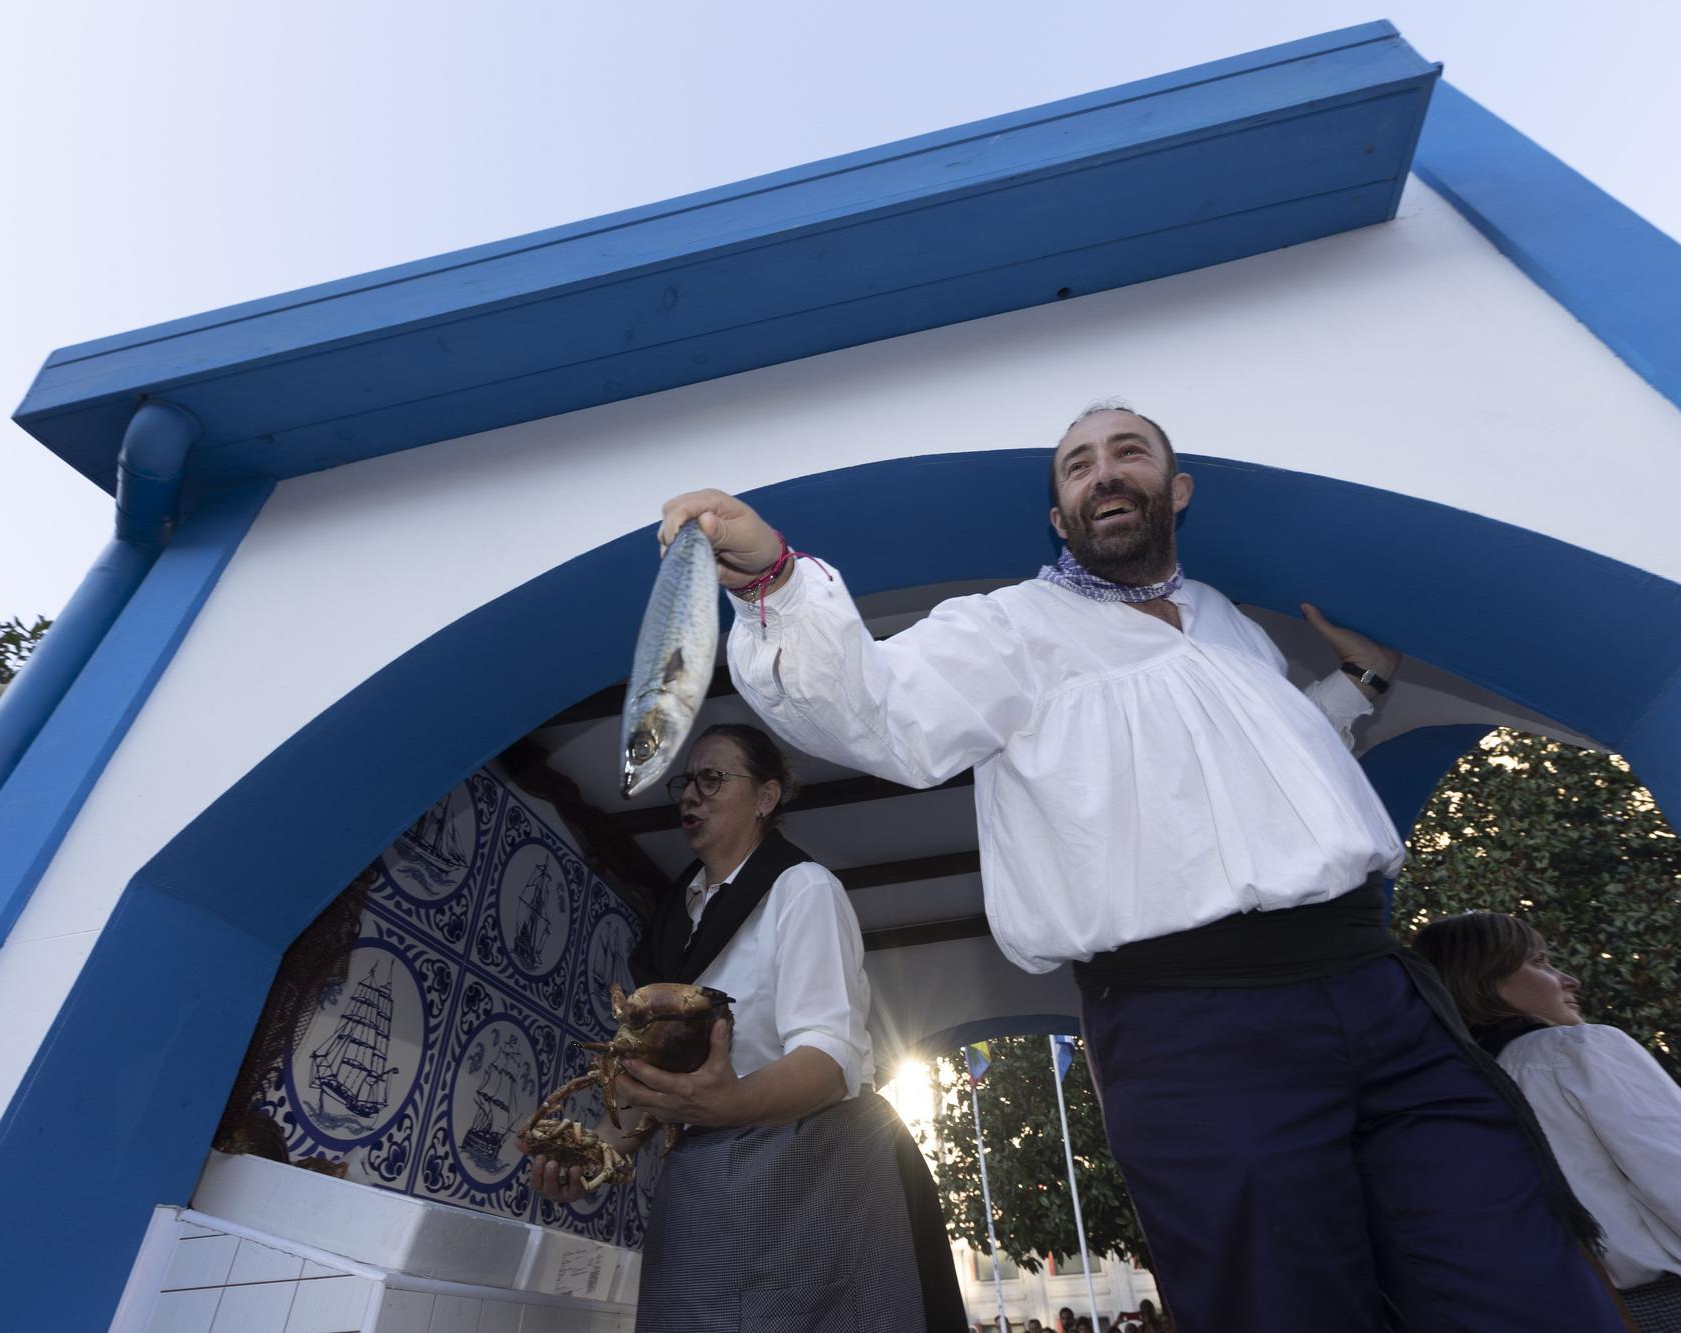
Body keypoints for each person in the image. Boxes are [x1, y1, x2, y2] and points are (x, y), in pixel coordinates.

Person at [657, 404, 1622, 1331]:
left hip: (1380, 992)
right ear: (1059, 515)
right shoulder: (1012, 628)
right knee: (1284, 1305)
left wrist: (1359, 684)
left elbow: (1261, 776)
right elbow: (875, 710)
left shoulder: (1227, 626)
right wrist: (773, 577)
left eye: (1129, 452)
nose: (1104, 471)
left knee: (1520, 1278)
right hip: (1194, 1022)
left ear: (1177, 488)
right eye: (1079, 464)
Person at [524, 722, 964, 1331]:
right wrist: (590, 1159)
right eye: (685, 782)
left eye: (712, 779)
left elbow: (829, 1060)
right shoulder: (674, 924)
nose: (689, 796)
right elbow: (647, 1091)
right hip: (705, 1179)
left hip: (815, 1172)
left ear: (766, 797)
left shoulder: (801, 889)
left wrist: (730, 1103)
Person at [1412, 911, 1681, 1331]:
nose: (1570, 980)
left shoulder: (1451, 1094)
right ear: (1482, 983)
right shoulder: (1574, 1052)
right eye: (1541, 963)